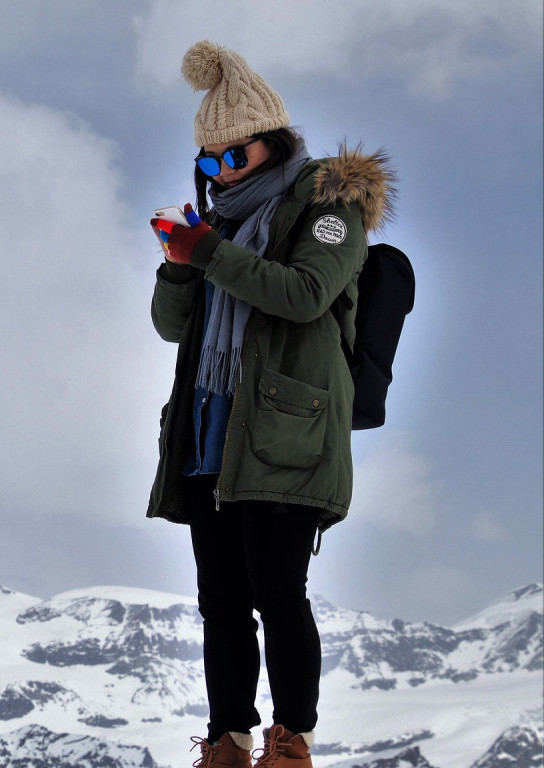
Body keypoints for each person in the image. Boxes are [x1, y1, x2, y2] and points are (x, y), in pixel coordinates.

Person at [146, 41, 395, 768]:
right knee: (220, 600)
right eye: (212, 160)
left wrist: (207, 254)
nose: (223, 171)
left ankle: (292, 743)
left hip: (287, 431)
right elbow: (172, 329)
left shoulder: (329, 207)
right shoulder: (216, 224)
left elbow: (303, 295)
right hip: (210, 429)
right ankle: (229, 741)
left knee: (278, 594)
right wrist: (177, 267)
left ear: (274, 141)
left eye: (235, 155)